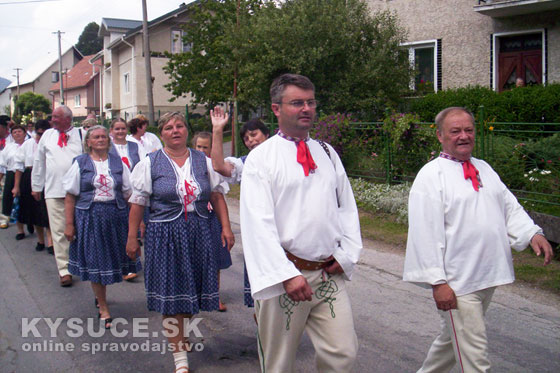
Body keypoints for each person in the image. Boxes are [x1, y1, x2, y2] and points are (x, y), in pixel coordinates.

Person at [403, 107, 553, 373]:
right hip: (458, 283)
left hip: (485, 277)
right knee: (475, 358)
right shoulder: (430, 176)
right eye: (455, 131)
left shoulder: (483, 168)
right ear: (440, 136)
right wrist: (437, 283)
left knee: (451, 344)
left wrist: (532, 233)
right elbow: (424, 233)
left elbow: (508, 206)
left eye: (469, 130)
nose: (464, 136)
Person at [240, 73, 363, 372]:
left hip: (327, 276)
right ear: (276, 109)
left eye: (310, 102)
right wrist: (285, 274)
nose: (306, 108)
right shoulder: (261, 159)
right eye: (297, 103)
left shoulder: (327, 153)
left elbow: (346, 208)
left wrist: (345, 255)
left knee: (343, 354)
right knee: (278, 363)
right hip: (286, 278)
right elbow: (258, 223)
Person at [126, 112, 229, 373]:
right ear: (162, 134)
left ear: (186, 130)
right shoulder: (150, 163)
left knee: (193, 291)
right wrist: (132, 238)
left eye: (180, 126)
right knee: (171, 296)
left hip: (200, 231)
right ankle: (180, 359)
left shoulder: (202, 160)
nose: (175, 131)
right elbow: (137, 203)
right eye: (169, 128)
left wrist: (226, 228)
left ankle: (182, 333)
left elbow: (216, 196)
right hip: (165, 235)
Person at [63, 125, 140, 329]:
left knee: (113, 260)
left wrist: (137, 222)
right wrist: (69, 224)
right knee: (96, 262)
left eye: (104, 137)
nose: (100, 140)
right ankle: (103, 306)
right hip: (89, 217)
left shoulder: (118, 163)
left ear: (109, 140)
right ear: (88, 142)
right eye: (96, 137)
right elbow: (70, 196)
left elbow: (128, 193)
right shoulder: (80, 163)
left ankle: (100, 297)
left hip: (116, 217)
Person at [210, 111, 270, 308]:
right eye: (246, 138)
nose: (251, 141)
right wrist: (218, 130)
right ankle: (264, 334)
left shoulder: (283, 158)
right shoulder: (244, 164)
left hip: (286, 231)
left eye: (254, 135)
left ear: (266, 134)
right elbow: (219, 166)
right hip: (258, 234)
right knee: (260, 300)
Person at [32, 105, 84, 287]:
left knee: (81, 230)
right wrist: (36, 185)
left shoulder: (81, 135)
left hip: (78, 192)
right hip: (54, 190)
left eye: (56, 117)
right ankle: (64, 270)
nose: (52, 120)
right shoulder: (47, 135)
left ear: (68, 119)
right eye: (52, 117)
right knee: (59, 231)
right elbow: (39, 161)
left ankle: (83, 263)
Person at [193, 131, 234, 312]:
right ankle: (195, 294)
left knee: (215, 258)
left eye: (205, 147)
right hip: (194, 217)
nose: (202, 150)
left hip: (211, 218)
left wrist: (226, 226)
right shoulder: (188, 164)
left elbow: (218, 196)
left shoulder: (213, 166)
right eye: (199, 147)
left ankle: (214, 295)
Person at [12, 119, 53, 252]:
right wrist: (16, 186)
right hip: (30, 176)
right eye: (38, 134)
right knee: (34, 211)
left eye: (42, 134)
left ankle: (51, 242)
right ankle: (40, 240)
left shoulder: (52, 144)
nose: (39, 137)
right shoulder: (28, 144)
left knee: (47, 211)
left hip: (48, 176)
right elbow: (19, 166)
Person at [0, 125, 27, 238]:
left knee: (27, 201)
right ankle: (20, 230)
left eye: (19, 131)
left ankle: (31, 222)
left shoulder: (29, 145)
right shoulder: (8, 147)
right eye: (14, 132)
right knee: (14, 202)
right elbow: (2, 165)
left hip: (26, 175)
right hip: (11, 174)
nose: (17, 134)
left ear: (24, 133)